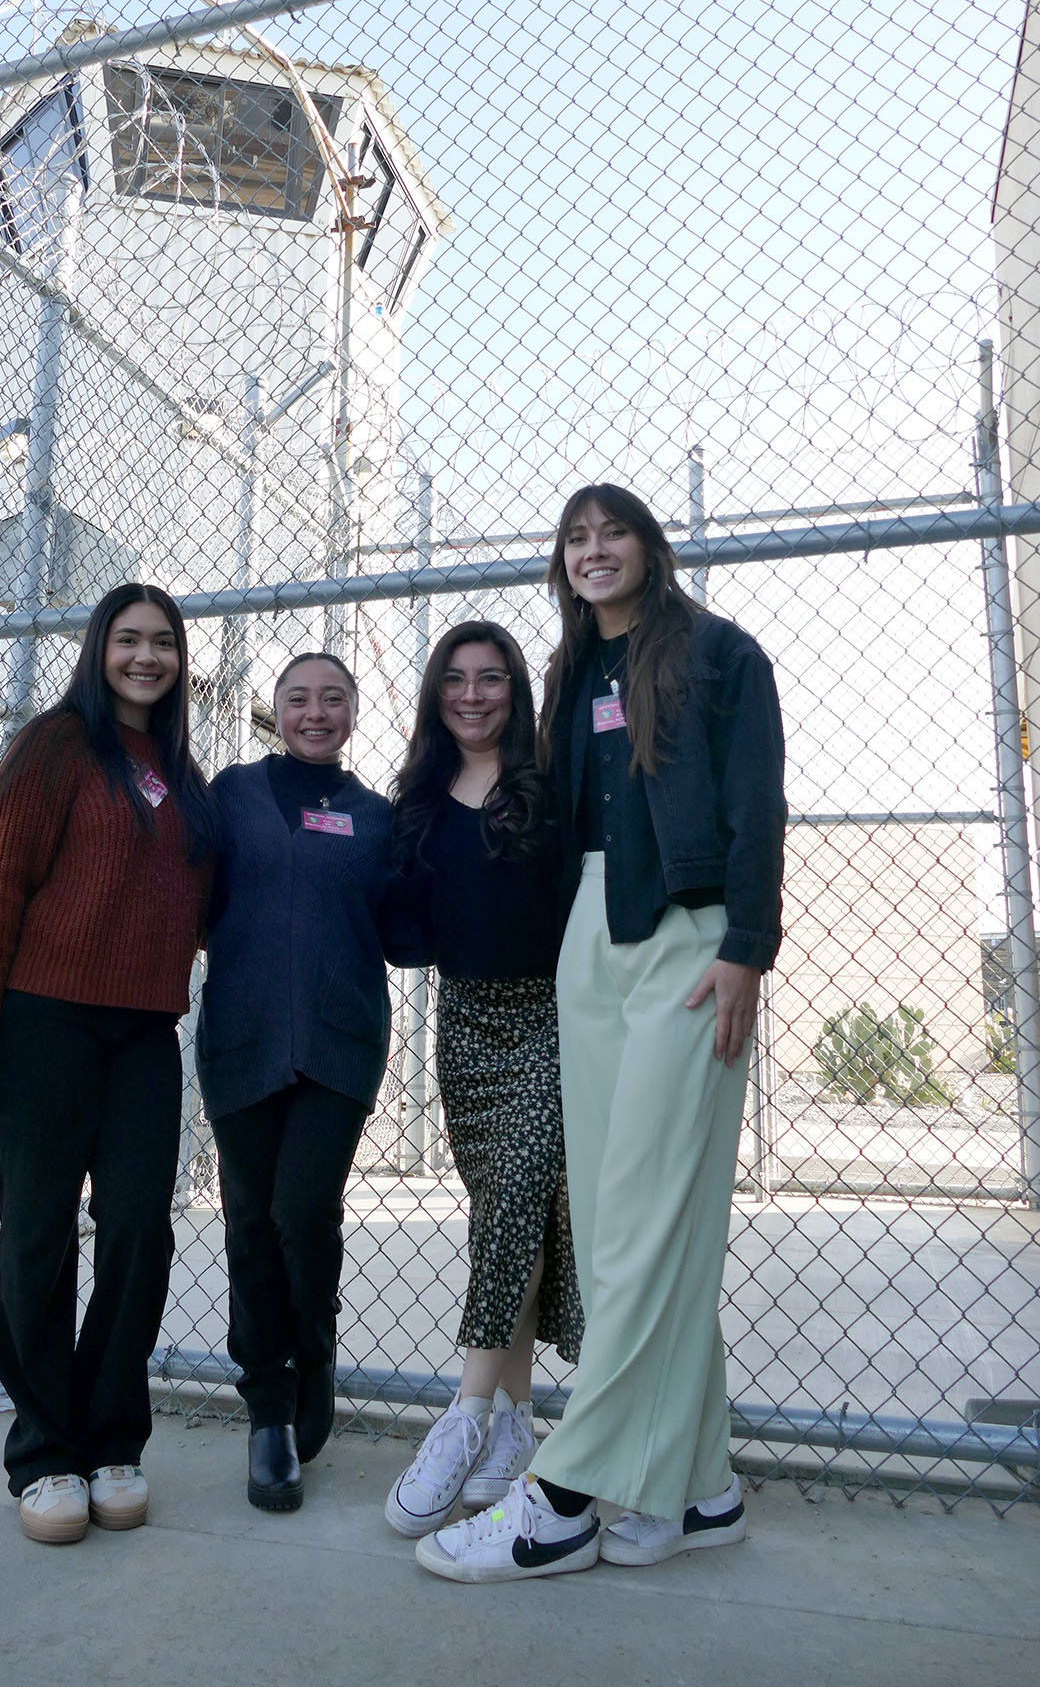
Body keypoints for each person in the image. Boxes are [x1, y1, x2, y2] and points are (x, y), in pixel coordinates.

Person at [415, 484, 785, 1582]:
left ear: (647, 545)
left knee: (644, 1221)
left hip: (690, 937)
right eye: (574, 538)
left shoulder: (721, 654)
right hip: (592, 935)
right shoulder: (572, 669)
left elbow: (757, 804)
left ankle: (567, 1493)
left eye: (610, 530)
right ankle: (701, 1488)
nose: (592, 550)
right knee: (616, 1219)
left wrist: (746, 945)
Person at [0, 584, 217, 1546]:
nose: (146, 657)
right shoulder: (53, 746)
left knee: (137, 1228)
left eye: (162, 642)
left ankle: (112, 1440)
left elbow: (201, 906)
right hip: (43, 1025)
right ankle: (44, 1451)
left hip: (144, 1035)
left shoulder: (183, 770)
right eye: (128, 640)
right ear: (98, 650)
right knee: (39, 1234)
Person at [383, 621, 582, 1538]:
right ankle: (514, 1423)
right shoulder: (420, 798)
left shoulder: (549, 787)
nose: (473, 695)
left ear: (515, 690)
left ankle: (462, 1417)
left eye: (491, 678)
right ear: (437, 693)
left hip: (549, 1020)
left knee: (514, 1201)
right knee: (510, 1214)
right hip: (465, 1025)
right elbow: (404, 927)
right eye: (456, 679)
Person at [197, 652, 408, 1512]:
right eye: (298, 699)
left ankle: (313, 1352)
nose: (314, 713)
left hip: (337, 1045)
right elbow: (192, 901)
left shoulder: (377, 817)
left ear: (353, 712)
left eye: (332, 699)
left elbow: (406, 931)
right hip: (241, 1040)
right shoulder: (232, 795)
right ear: (276, 710)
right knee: (251, 1222)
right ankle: (269, 1412)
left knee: (302, 1211)